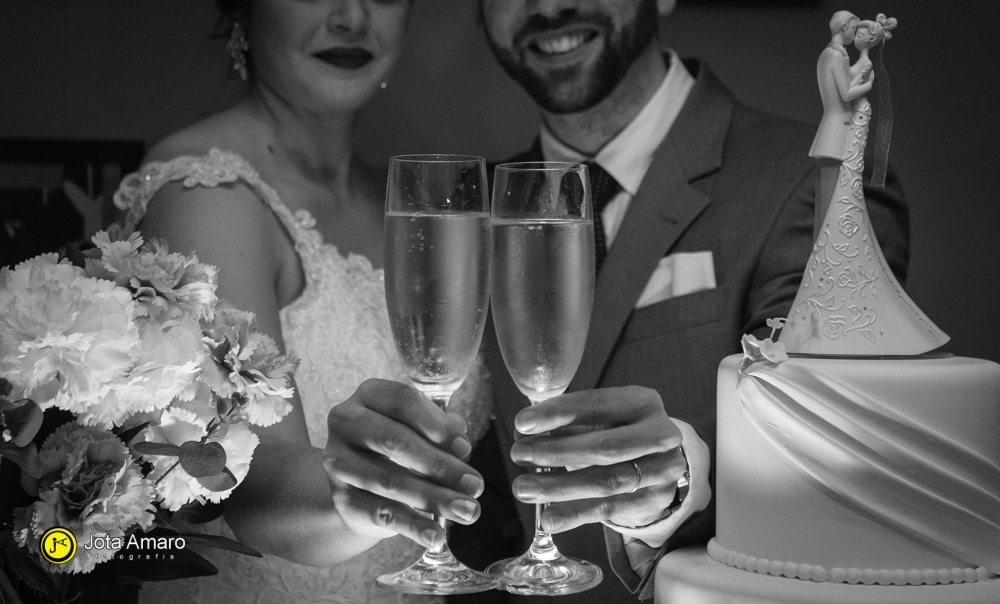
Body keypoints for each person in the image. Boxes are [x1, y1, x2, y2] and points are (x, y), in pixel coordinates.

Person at [448, 1, 911, 602]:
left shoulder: (821, 181)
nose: (548, 5)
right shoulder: (465, 211)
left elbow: (818, 450)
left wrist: (672, 483)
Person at [113, 1, 493, 603]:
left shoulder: (409, 205)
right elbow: (243, 471)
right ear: (244, 9)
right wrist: (355, 494)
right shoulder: (203, 193)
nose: (352, 17)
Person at [809, 10, 872, 239]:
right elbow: (846, 93)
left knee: (828, 206)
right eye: (853, 29)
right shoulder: (836, 56)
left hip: (831, 131)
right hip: (836, 133)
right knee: (831, 204)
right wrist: (868, 84)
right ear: (844, 27)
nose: (854, 34)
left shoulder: (830, 54)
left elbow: (842, 83)